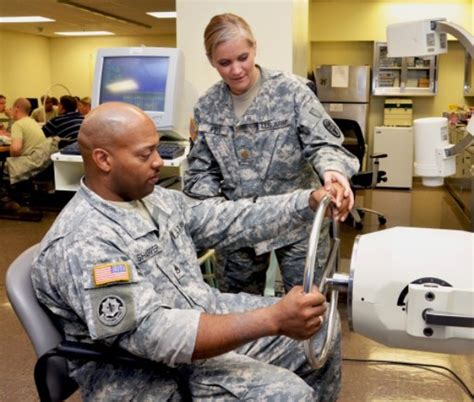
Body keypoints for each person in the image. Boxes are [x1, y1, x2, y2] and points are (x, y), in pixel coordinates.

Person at [32, 102, 350, 401]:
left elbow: (225, 219)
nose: (159, 161)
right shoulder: (85, 241)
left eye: (157, 149)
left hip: (197, 322)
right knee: (288, 394)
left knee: (323, 329)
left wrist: (307, 202)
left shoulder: (154, 199)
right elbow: (153, 335)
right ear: (103, 160)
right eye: (146, 155)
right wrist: (271, 320)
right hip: (145, 375)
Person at [183, 13, 360, 295]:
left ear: (255, 48)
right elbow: (202, 170)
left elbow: (323, 144)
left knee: (308, 306)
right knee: (238, 312)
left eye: (243, 57)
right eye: (224, 63)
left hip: (298, 221)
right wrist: (209, 214)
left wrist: (333, 172)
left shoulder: (291, 91)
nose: (236, 70)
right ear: (211, 60)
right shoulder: (207, 106)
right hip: (240, 227)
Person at [4, 98, 58, 185]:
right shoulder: (32, 122)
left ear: (16, 108)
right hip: (42, 164)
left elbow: (16, 149)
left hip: (30, 165)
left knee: (6, 164)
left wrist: (13, 158)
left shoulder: (18, 125)